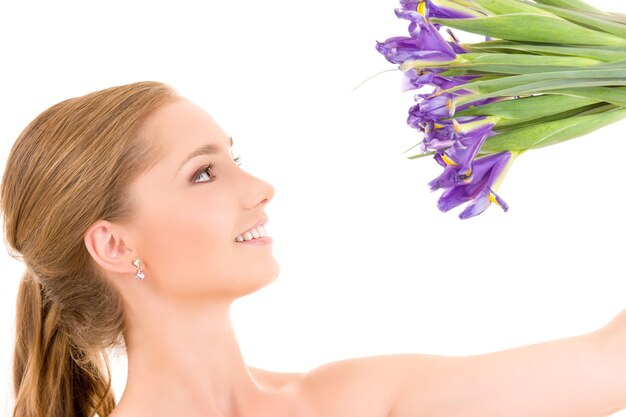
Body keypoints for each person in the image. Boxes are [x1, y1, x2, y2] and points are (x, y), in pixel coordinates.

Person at [2, 80, 626, 417]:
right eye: (203, 173)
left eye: (234, 159)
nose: (262, 189)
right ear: (112, 243)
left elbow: (609, 366)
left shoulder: (350, 400)